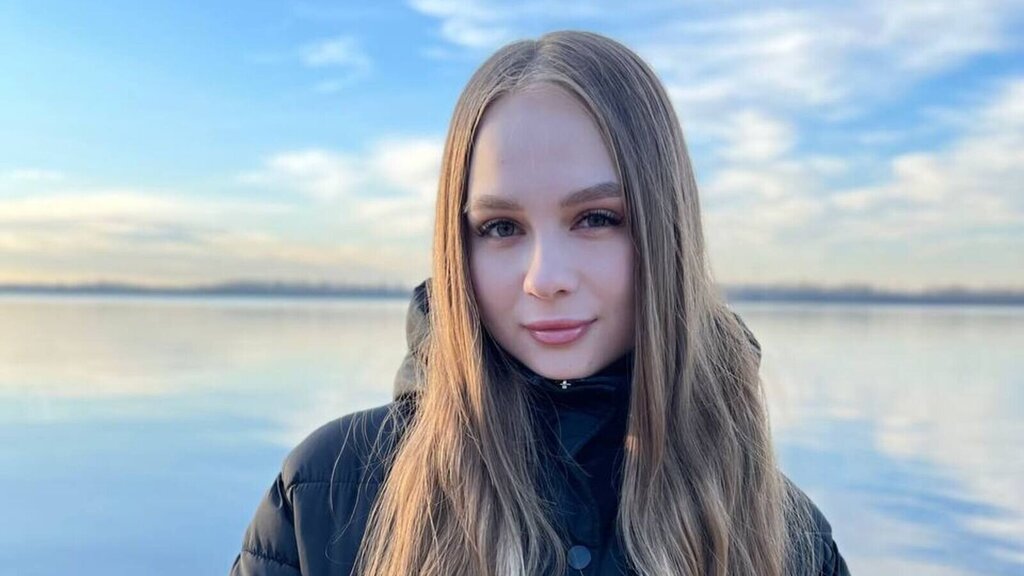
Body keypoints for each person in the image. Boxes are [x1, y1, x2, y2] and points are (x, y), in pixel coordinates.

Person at [229, 30, 851, 576]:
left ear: (667, 232)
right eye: (501, 227)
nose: (545, 278)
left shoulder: (783, 534)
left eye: (597, 218)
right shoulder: (327, 493)